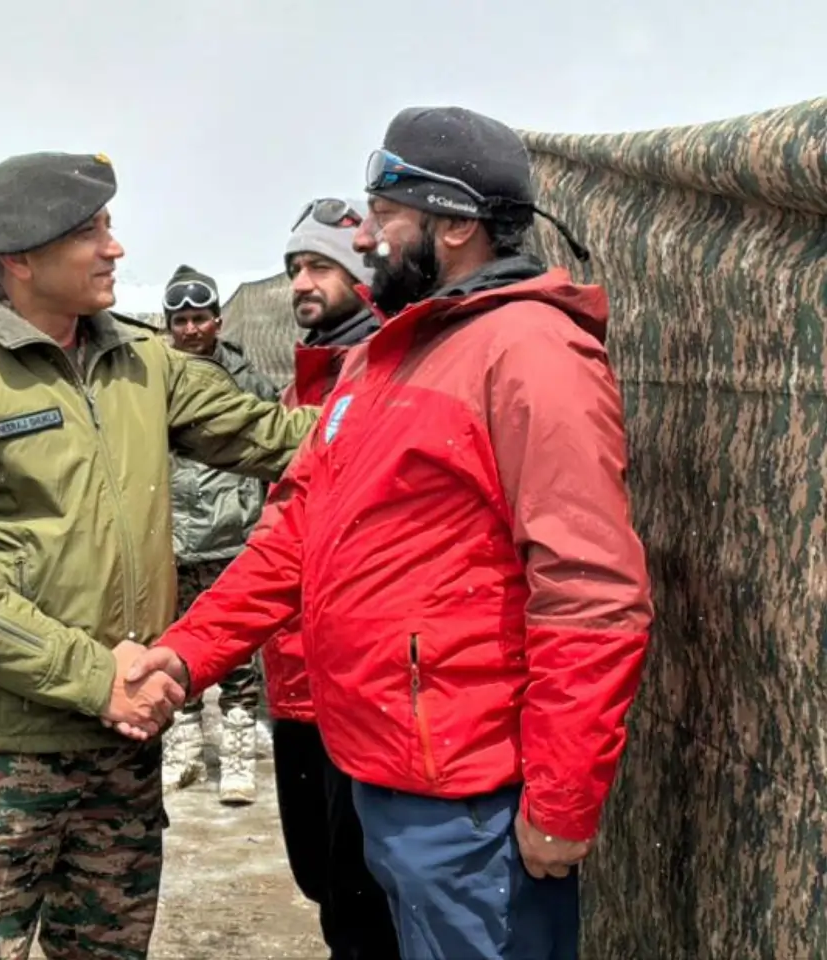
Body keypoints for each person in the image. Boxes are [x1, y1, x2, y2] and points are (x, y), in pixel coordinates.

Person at [126, 106, 654, 960]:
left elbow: (591, 592)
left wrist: (561, 799)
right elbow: (294, 532)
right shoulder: (382, 360)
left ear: (452, 225)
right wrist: (186, 655)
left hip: (472, 794)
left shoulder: (530, 352)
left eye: (386, 214)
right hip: (383, 766)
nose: (366, 235)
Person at [0, 150, 318, 960]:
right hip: (1, 754)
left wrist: (407, 395)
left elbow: (278, 438)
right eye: (89, 231)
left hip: (120, 748)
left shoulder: (143, 363)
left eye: (109, 226)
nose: (114, 247)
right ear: (20, 260)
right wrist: (95, 677)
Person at [248, 196, 400, 958]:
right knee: (321, 877)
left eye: (320, 266)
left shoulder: (382, 375)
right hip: (296, 679)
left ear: (365, 273)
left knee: (362, 897)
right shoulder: (306, 380)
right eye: (294, 268)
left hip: (356, 688)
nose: (302, 283)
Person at [160, 263, 276, 804]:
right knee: (175, 647)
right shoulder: (150, 380)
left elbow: (271, 444)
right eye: (180, 320)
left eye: (199, 318)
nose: (190, 329)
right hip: (171, 544)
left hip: (231, 539)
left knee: (235, 653)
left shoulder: (247, 379)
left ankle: (236, 759)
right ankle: (183, 750)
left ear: (218, 321)